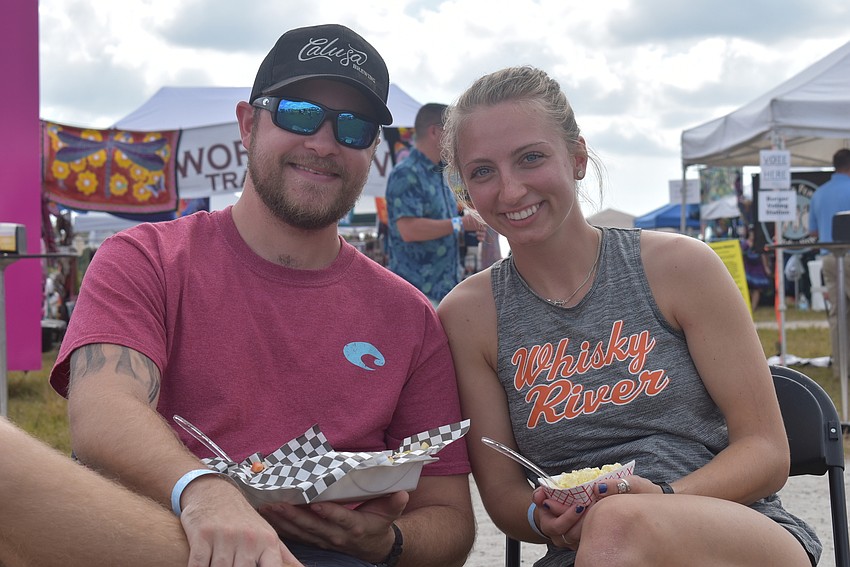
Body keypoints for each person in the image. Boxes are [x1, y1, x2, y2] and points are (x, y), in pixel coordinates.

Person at [49, 24, 474, 567]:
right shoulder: (147, 259)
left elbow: (452, 520)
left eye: (353, 127)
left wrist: (384, 543)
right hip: (166, 539)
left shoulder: (410, 317)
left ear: (372, 149)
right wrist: (203, 492)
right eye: (298, 112)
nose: (323, 143)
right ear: (248, 124)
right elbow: (101, 414)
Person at [437, 65, 821, 566]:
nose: (510, 191)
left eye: (531, 158)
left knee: (617, 523)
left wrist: (659, 501)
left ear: (576, 158)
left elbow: (767, 452)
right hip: (583, 552)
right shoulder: (469, 316)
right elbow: (506, 496)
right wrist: (541, 519)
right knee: (612, 529)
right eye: (483, 171)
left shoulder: (679, 267)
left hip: (735, 529)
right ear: (465, 190)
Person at [385, 103, 481, 305]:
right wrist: (461, 224)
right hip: (416, 295)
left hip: (442, 290)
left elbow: (442, 225)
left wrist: (465, 228)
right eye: (452, 132)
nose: (456, 140)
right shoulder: (407, 173)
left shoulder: (439, 174)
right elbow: (409, 230)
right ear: (435, 132)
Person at [808, 148, 850, 377]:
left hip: (829, 257)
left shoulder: (819, 193)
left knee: (837, 314)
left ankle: (840, 368)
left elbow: (813, 232)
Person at [742, 224, 773, 310]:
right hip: (748, 268)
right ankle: (747, 307)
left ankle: (753, 308)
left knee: (757, 289)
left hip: (757, 269)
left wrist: (766, 267)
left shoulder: (759, 243)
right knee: (747, 288)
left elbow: (763, 255)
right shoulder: (745, 244)